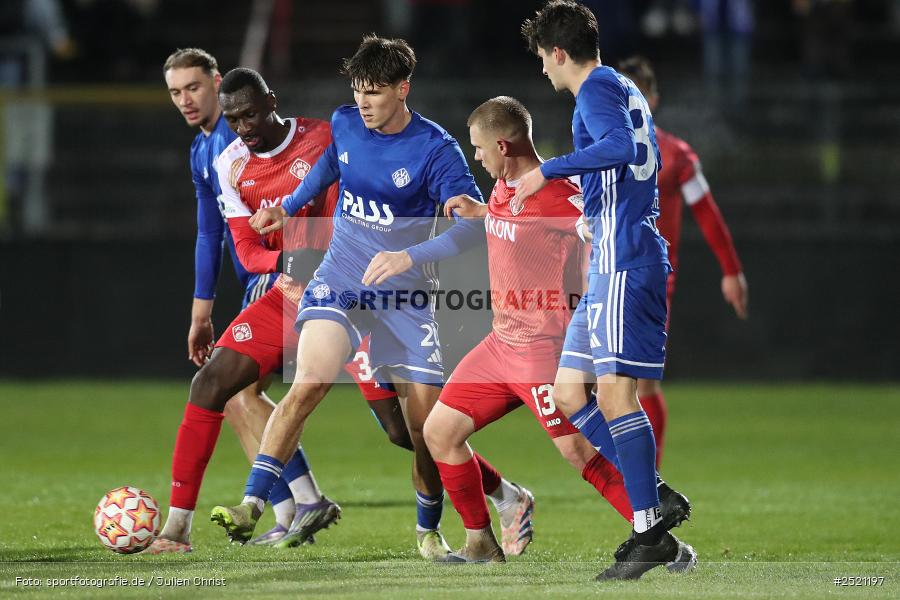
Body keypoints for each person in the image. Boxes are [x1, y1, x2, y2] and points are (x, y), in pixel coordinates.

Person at [213, 35, 530, 560]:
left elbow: (471, 227)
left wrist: (409, 258)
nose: (363, 102)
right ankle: (252, 501)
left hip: (405, 299)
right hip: (340, 280)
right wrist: (289, 207)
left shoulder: (436, 150)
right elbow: (330, 168)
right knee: (308, 382)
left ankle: (432, 532)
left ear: (403, 89)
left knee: (422, 429)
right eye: (358, 91)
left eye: (375, 93)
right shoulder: (344, 124)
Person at [422, 96, 695, 568]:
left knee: (580, 454)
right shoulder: (504, 190)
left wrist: (601, 247)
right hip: (498, 344)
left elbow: (591, 225)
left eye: (480, 148)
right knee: (440, 432)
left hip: (542, 352)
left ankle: (665, 547)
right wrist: (481, 213)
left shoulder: (556, 192)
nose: (477, 158)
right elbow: (519, 227)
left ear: (504, 145)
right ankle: (481, 544)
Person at [152, 58, 402, 553]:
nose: (242, 129)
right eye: (176, 90)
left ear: (270, 103)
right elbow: (230, 242)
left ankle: (497, 491)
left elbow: (356, 211)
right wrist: (209, 305)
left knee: (404, 429)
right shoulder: (219, 159)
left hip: (354, 295)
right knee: (220, 387)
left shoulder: (326, 137)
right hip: (284, 291)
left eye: (193, 86)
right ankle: (181, 528)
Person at [517, 1, 693, 580]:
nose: (543, 69)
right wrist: (593, 210)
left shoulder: (594, 88)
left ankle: (648, 531)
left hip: (624, 262)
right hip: (608, 263)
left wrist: (550, 169)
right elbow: (638, 157)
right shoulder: (621, 85)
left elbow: (619, 149)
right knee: (569, 393)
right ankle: (655, 498)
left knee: (616, 398)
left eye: (543, 57)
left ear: (559, 52)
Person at [619, 56, 748, 468]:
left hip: (651, 281)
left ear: (653, 101)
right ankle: (629, 473)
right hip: (602, 277)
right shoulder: (599, 153)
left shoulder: (674, 155)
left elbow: (707, 212)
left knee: (642, 386)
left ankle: (647, 480)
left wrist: (731, 270)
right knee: (592, 386)